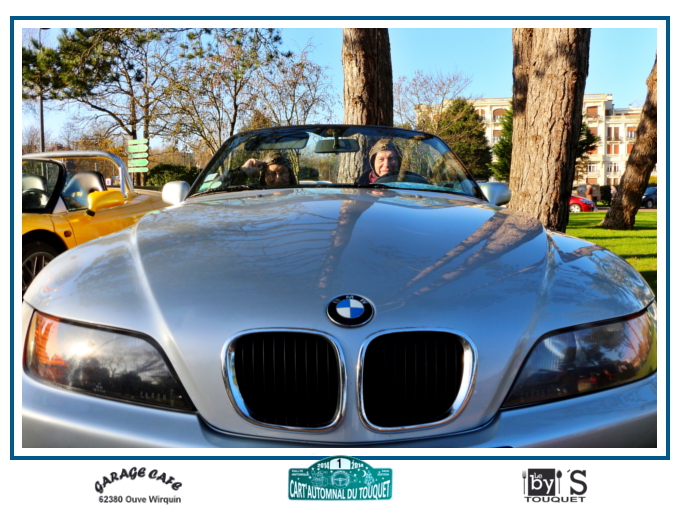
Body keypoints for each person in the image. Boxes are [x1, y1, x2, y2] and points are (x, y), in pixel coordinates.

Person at [227, 151, 297, 187]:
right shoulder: (252, 194)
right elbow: (225, 190)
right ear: (264, 176)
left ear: (290, 174)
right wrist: (243, 171)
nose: (278, 180)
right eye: (272, 174)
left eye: (282, 173)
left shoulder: (301, 195)